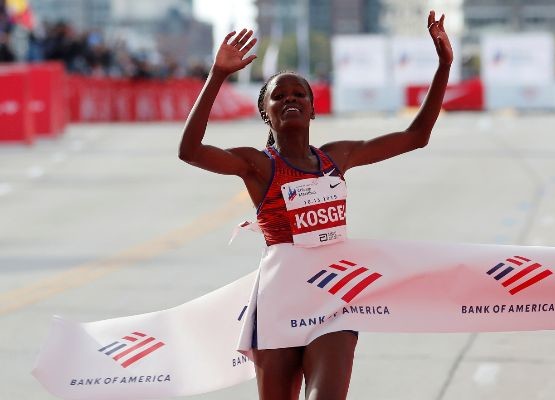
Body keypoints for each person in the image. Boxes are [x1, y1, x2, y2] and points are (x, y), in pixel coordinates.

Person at [178, 10, 453, 400]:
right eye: (279, 96)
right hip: (279, 299)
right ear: (265, 113)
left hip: (332, 298)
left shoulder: (337, 157)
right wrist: (218, 75)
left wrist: (444, 66)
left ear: (312, 108)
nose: (290, 99)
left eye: (299, 95)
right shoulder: (257, 165)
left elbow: (416, 136)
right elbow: (190, 151)